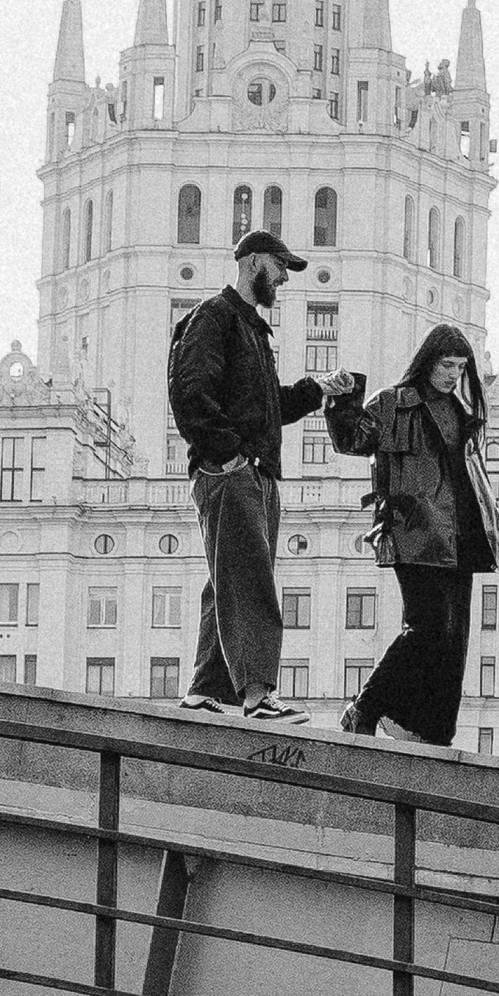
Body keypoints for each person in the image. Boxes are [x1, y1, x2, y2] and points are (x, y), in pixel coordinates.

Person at [167, 225, 348, 723]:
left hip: (256, 471)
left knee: (229, 579)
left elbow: (269, 408)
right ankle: (257, 695)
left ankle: (205, 689)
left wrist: (319, 388)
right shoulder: (215, 316)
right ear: (252, 263)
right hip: (232, 471)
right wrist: (227, 458)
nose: (285, 278)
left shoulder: (251, 328)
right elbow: (189, 392)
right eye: (280, 266)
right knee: (249, 580)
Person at [326, 323, 499, 746]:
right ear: (427, 362)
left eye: (460, 367)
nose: (453, 375)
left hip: (460, 538)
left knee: (454, 640)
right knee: (426, 628)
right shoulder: (393, 402)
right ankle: (364, 708)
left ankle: (433, 733)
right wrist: (343, 399)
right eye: (446, 365)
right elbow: (352, 440)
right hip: (414, 531)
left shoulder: (461, 412)